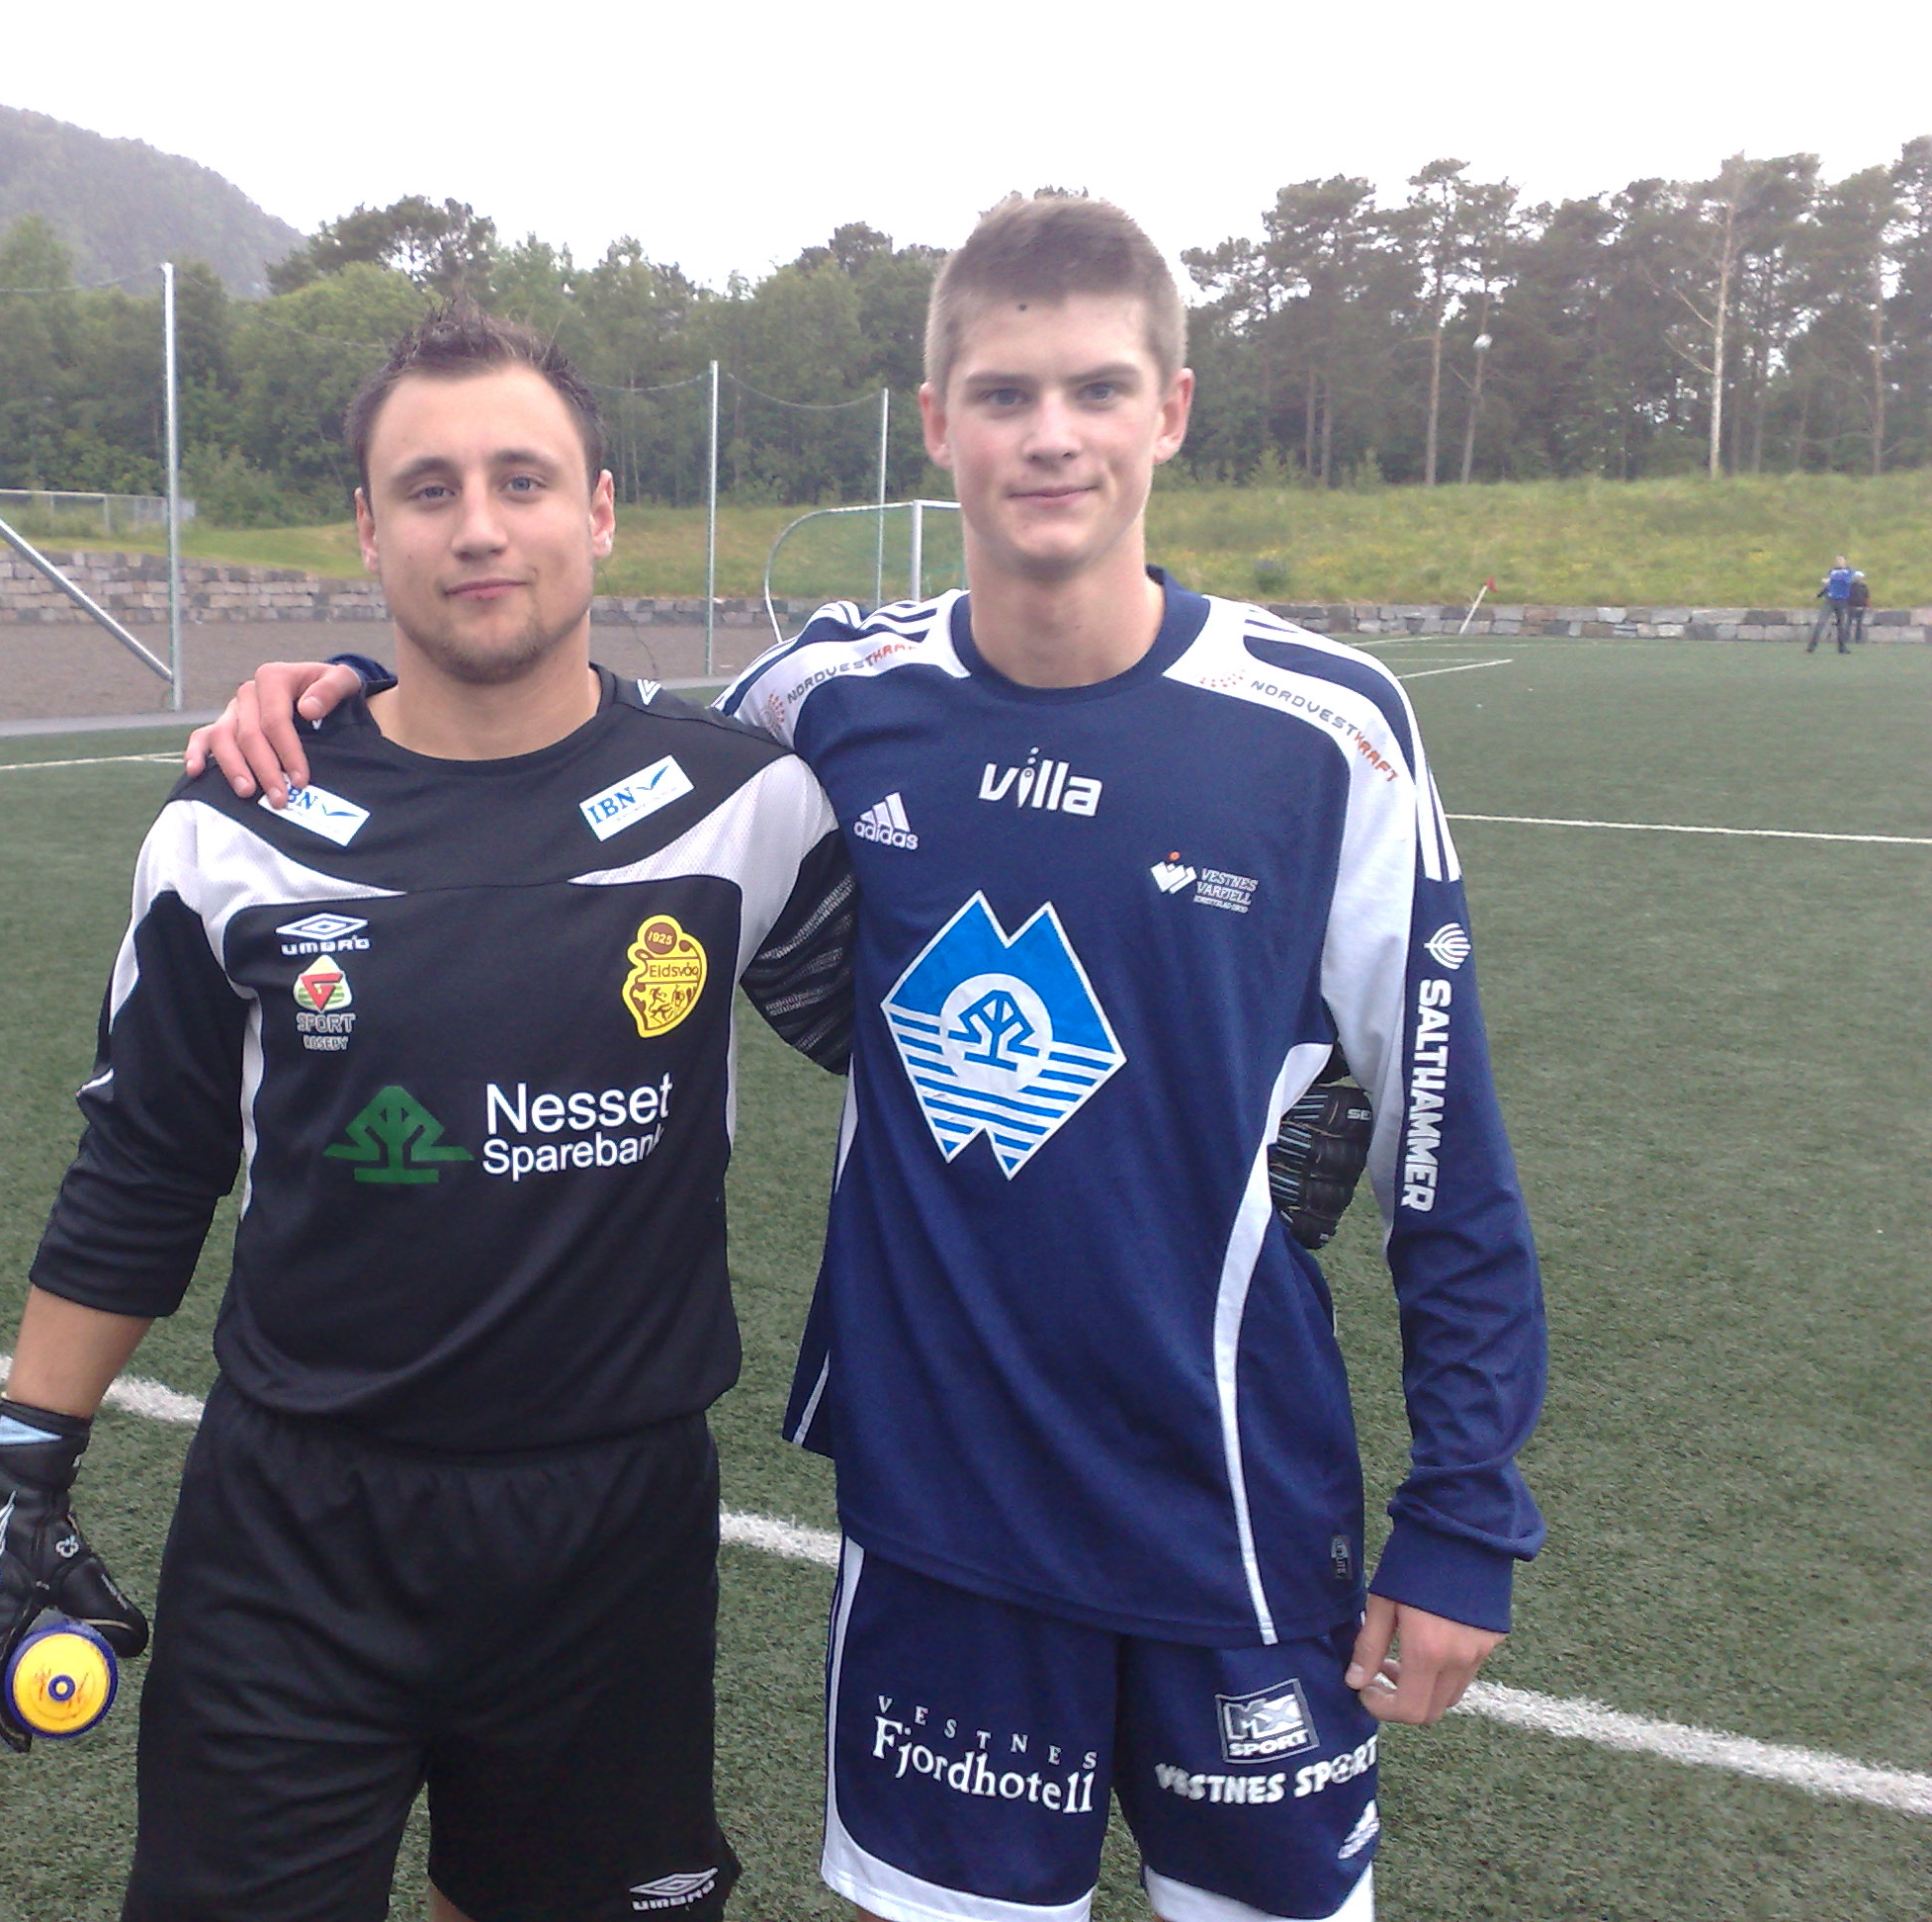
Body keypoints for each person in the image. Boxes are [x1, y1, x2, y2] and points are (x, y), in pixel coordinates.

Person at [191, 194, 1545, 1922]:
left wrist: (1464, 1513)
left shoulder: (1327, 729)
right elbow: (585, 743)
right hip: (942, 1522)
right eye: (1001, 393)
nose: (1048, 433)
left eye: (1093, 389)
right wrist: (353, 688)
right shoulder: (830, 697)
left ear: (1171, 409)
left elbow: (1442, 1144)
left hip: (1233, 1504)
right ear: (935, 425)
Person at [0, 306, 865, 1922]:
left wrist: (1275, 1049)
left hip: (611, 1526)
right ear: (369, 530)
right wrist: (24, 1461)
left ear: (597, 505)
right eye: (428, 487)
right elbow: (144, 1162)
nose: (480, 523)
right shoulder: (234, 822)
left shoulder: (747, 803)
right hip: (297, 1524)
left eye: (522, 478)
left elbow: (931, 1042)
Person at [1810, 556, 1856, 652]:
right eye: (1837, 560)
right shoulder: (1832, 571)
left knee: (1841, 625)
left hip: (1842, 601)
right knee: (1821, 622)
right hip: (1830, 600)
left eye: (1840, 560)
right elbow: (1829, 586)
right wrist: (1818, 595)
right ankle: (1811, 647)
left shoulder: (1849, 571)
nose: (1838, 562)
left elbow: (1846, 581)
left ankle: (1842, 647)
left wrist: (1832, 579)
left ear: (1845, 561)